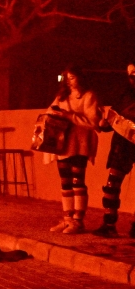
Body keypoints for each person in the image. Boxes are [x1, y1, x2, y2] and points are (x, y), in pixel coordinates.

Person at [47, 66, 100, 235]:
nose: (69, 81)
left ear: (80, 77)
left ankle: (78, 221)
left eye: (72, 77)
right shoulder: (62, 96)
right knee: (65, 182)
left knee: (78, 181)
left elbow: (93, 123)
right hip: (62, 144)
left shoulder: (88, 95)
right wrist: (54, 113)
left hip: (80, 144)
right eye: (67, 78)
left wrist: (69, 116)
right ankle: (68, 218)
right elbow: (50, 110)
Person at [92, 63, 135, 238]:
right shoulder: (125, 95)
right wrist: (103, 124)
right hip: (122, 145)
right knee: (112, 183)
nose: (133, 78)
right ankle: (109, 223)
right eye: (131, 75)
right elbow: (115, 119)